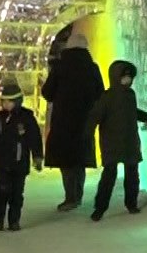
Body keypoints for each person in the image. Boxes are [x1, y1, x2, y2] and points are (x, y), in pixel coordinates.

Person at [42, 34, 105, 212]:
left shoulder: (59, 67)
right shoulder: (92, 68)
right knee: (80, 157)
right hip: (85, 118)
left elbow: (47, 92)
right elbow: (100, 93)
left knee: (66, 159)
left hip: (63, 119)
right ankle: (78, 194)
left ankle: (70, 197)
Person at [87, 60, 147, 221]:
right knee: (109, 175)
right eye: (124, 77)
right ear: (116, 77)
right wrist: (87, 133)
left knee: (132, 175)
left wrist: (146, 117)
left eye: (129, 77)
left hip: (129, 141)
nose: (128, 80)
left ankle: (131, 203)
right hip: (112, 142)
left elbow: (132, 112)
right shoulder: (107, 97)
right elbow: (95, 116)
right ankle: (100, 207)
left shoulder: (130, 95)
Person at [0, 82, 41, 231]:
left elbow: (35, 139)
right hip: (2, 164)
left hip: (20, 164)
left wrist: (37, 157)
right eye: (4, 101)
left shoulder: (27, 118)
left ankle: (14, 221)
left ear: (17, 102)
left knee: (17, 194)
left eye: (9, 101)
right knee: (1, 192)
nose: (5, 104)